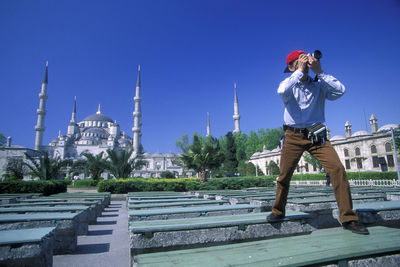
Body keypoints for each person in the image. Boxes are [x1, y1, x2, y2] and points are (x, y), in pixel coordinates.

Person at [266, 50, 369, 235]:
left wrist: (320, 72)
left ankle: (349, 218)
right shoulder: (289, 86)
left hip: (316, 132)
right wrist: (299, 71)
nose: (305, 64)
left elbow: (340, 91)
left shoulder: (319, 85)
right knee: (284, 176)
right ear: (291, 67)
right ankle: (278, 211)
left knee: (337, 169)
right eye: (300, 61)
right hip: (293, 133)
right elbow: (281, 90)